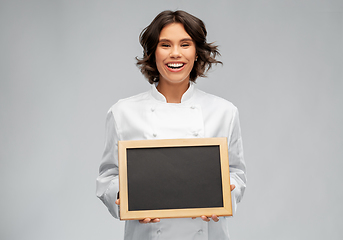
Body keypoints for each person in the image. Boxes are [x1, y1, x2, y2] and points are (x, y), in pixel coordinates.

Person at [96, 10, 246, 240]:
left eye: (185, 44)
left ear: (197, 53)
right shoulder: (122, 112)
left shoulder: (224, 112)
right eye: (165, 45)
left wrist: (226, 194)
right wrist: (125, 198)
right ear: (152, 53)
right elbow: (108, 176)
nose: (175, 53)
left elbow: (236, 173)